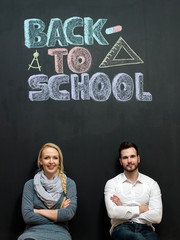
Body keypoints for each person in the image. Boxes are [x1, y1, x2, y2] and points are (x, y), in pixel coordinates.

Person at [18, 143, 77, 240]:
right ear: (40, 161)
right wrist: (57, 215)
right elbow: (28, 217)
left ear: (59, 161)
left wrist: (37, 211)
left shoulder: (69, 184)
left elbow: (68, 214)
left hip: (59, 233)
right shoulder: (30, 185)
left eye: (55, 158)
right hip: (33, 233)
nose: (51, 162)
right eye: (46, 158)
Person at [104, 141, 162, 240]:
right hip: (122, 228)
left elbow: (157, 217)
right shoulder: (112, 183)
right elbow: (112, 213)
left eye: (132, 156)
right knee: (137, 238)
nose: (129, 160)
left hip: (146, 229)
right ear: (120, 161)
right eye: (125, 158)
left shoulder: (152, 184)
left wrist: (123, 209)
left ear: (138, 159)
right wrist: (141, 209)